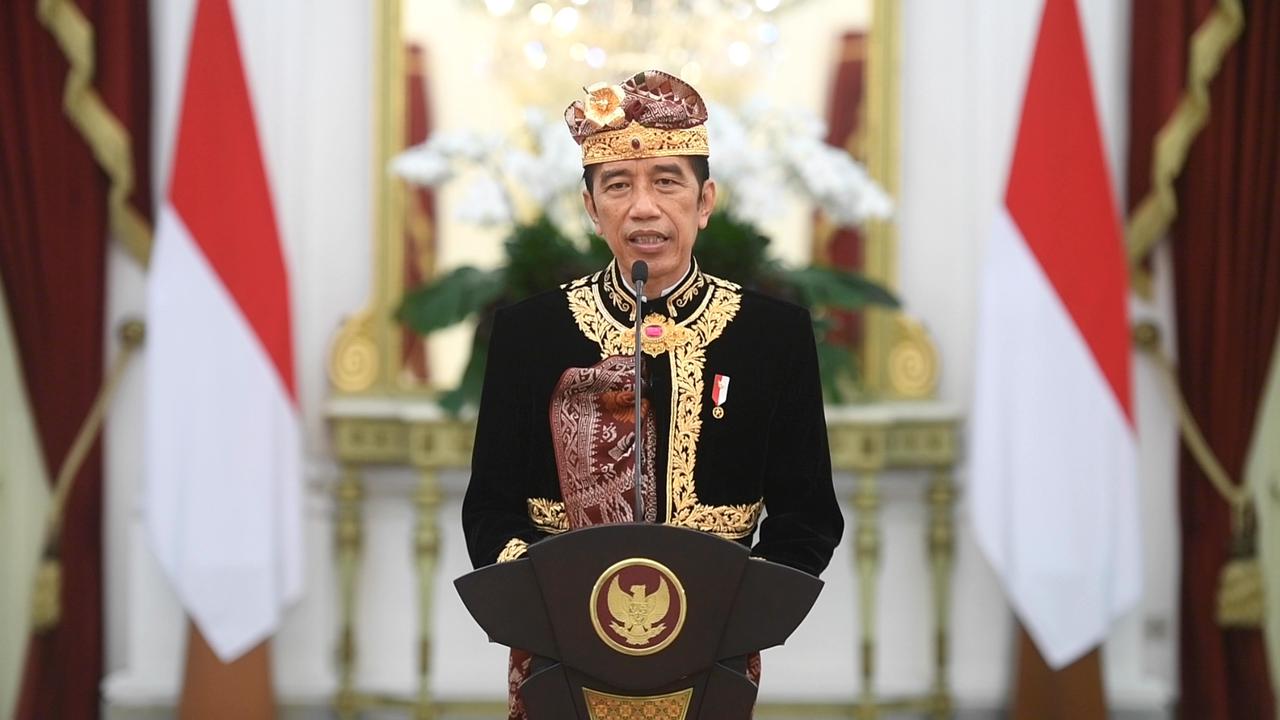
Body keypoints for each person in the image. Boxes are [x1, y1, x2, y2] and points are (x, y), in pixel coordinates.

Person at [461, 69, 844, 719]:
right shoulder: (530, 333)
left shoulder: (771, 335)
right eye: (618, 185)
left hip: (714, 644)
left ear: (705, 201)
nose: (643, 207)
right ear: (591, 208)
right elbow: (491, 508)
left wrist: (741, 610)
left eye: (667, 181)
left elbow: (808, 518)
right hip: (559, 641)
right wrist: (549, 601)